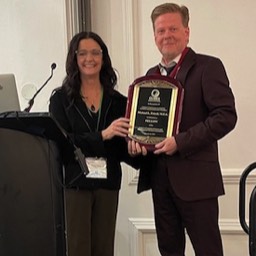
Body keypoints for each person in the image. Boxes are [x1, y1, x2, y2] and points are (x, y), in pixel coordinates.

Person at [128, 3, 237, 256]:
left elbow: (226, 116)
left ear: (187, 32)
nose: (167, 35)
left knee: (208, 251)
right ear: (154, 36)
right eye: (161, 30)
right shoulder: (150, 76)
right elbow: (145, 125)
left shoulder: (208, 67)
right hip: (160, 180)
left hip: (197, 180)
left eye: (173, 28)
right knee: (169, 250)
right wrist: (136, 143)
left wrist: (181, 141)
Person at [49, 31, 137, 256]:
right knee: (78, 249)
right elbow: (62, 143)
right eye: (83, 53)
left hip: (107, 183)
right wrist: (102, 135)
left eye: (96, 53)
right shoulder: (60, 100)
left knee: (104, 248)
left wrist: (139, 146)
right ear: (74, 58)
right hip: (75, 183)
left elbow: (121, 147)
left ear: (103, 57)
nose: (90, 58)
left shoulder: (119, 101)